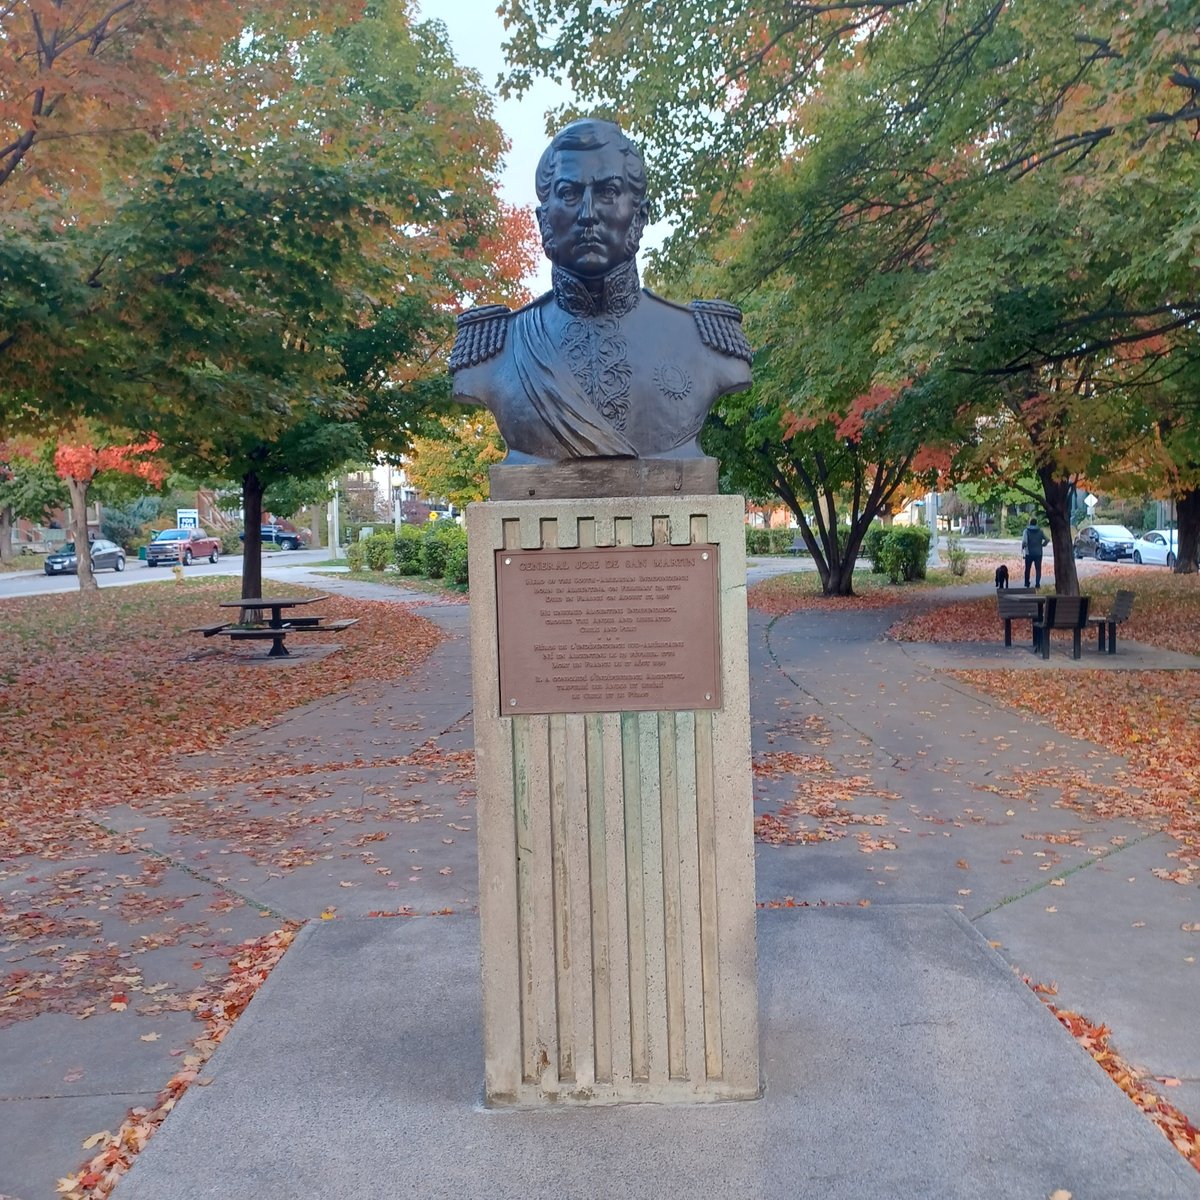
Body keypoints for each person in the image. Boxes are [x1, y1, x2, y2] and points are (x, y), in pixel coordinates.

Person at [450, 119, 752, 464]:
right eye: (568, 193)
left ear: (640, 215)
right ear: (543, 220)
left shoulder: (704, 342)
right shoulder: (496, 348)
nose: (587, 214)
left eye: (608, 192)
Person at [1021, 516, 1047, 588]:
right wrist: (1043, 545)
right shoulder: (1040, 531)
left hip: (1029, 553)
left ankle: (1027, 583)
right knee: (1038, 569)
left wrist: (1023, 547)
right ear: (1036, 523)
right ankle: (1037, 583)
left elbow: (1025, 542)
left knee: (1027, 569)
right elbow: (1047, 539)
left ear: (1030, 523)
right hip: (1038, 553)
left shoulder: (1026, 531)